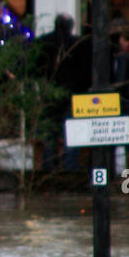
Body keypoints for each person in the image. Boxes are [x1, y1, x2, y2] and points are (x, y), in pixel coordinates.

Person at [35, 14, 89, 170]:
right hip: (74, 93)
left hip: (49, 91)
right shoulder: (79, 44)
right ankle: (70, 168)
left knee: (49, 131)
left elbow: (35, 67)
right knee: (72, 133)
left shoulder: (43, 43)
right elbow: (85, 71)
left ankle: (48, 166)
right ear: (70, 27)